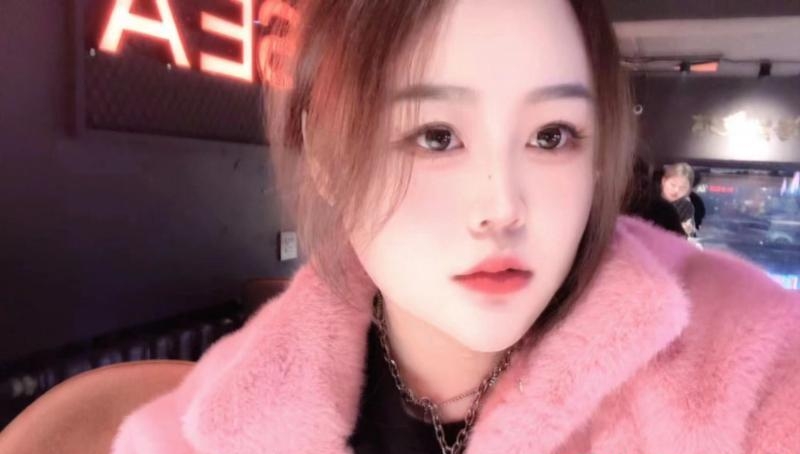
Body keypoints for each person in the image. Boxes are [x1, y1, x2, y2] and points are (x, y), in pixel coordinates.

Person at [113, 1, 800, 453]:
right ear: (325, 158)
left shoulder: (751, 368)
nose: (503, 206)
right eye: (436, 136)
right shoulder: (209, 423)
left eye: (552, 136)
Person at [660, 162, 698, 237]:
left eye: (682, 188)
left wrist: (685, 230)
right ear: (663, 181)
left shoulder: (686, 207)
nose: (676, 190)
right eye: (673, 185)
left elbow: (689, 234)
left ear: (688, 190)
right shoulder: (649, 200)